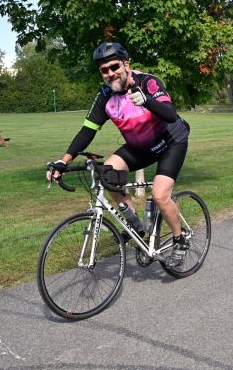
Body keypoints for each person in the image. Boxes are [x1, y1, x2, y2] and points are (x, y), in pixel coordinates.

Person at [46, 42, 191, 268]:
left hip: (171, 141)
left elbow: (171, 114)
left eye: (114, 67)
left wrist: (147, 100)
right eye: (104, 70)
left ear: (126, 65)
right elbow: (87, 131)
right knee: (108, 174)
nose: (110, 73)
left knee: (160, 194)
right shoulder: (105, 95)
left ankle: (179, 239)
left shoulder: (148, 82)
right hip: (140, 147)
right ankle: (136, 227)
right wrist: (64, 160)